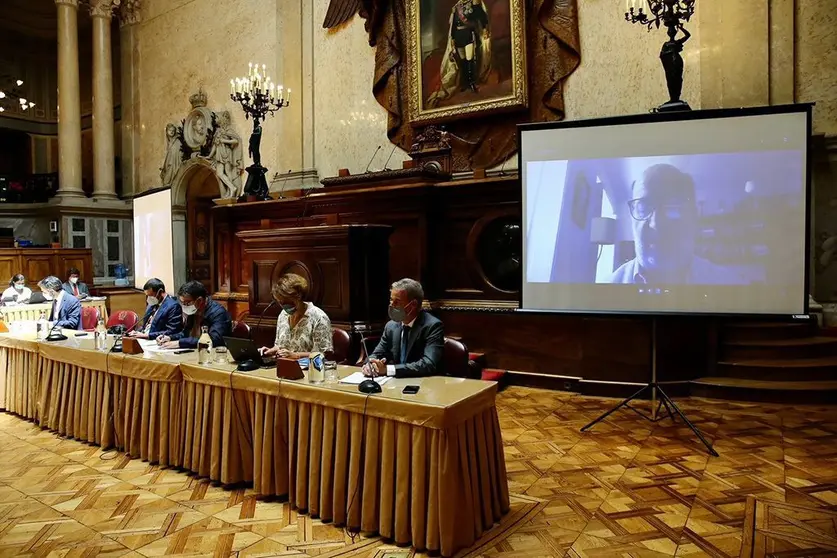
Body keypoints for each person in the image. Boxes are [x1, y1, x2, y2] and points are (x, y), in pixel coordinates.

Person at [609, 164, 748, 285]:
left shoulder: (732, 286)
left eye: (672, 206)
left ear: (693, 217)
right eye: (643, 206)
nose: (656, 223)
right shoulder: (605, 293)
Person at [363, 278, 444, 379]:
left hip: (423, 385)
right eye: (391, 300)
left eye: (397, 302)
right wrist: (371, 364)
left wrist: (388, 370)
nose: (391, 305)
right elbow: (376, 354)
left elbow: (428, 364)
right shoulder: (391, 326)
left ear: (413, 305)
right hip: (396, 384)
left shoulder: (432, 326)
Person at [260, 273, 333, 359]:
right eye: (280, 302)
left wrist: (295, 355)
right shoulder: (283, 315)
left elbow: (323, 354)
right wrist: (271, 351)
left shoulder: (319, 318)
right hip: (284, 366)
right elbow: (281, 346)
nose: (284, 306)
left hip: (309, 370)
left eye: (287, 301)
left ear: (299, 296)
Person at [157, 280, 231, 349]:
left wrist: (180, 343)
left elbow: (214, 340)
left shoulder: (218, 313)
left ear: (200, 300)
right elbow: (185, 334)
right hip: (193, 350)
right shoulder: (193, 310)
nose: (184, 306)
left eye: (187, 303)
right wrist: (170, 338)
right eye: (182, 303)